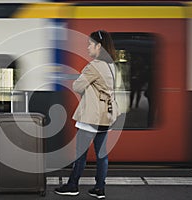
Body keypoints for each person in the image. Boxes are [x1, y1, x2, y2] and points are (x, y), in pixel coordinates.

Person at [54, 30, 117, 199]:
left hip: (91, 117)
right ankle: (99, 188)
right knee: (101, 154)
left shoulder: (94, 66)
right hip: (107, 115)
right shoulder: (112, 66)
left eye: (90, 44)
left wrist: (87, 86)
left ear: (99, 46)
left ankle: (73, 185)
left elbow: (77, 86)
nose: (88, 47)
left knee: (80, 154)